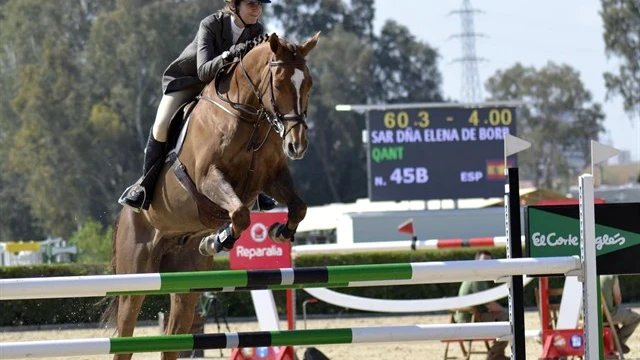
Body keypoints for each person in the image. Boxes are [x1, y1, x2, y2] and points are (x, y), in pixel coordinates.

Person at [118, 0, 276, 212]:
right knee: (161, 125)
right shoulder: (210, 24)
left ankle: (257, 190)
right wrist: (229, 54)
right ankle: (145, 186)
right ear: (234, 5)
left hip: (222, 89)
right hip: (190, 82)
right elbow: (203, 70)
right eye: (250, 3)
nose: (257, 8)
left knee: (256, 123)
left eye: (259, 4)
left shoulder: (257, 30)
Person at [454, 250, 509, 360]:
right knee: (508, 318)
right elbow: (488, 304)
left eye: (489, 262)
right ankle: (495, 355)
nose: (486, 265)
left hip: (472, 316)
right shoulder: (477, 278)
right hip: (470, 318)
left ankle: (498, 354)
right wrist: (505, 310)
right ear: (476, 262)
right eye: (483, 261)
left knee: (505, 318)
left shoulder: (477, 276)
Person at [600, 274, 640, 354]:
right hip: (607, 314)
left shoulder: (590, 273)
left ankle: (614, 342)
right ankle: (617, 342)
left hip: (592, 316)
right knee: (636, 318)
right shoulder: (612, 275)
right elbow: (618, 299)